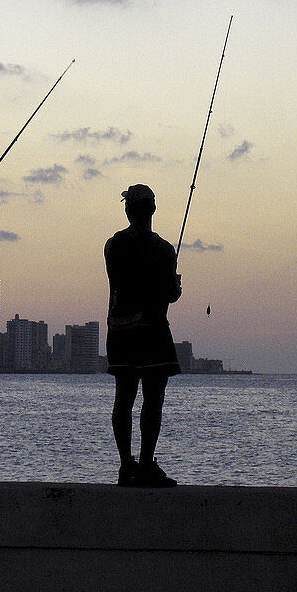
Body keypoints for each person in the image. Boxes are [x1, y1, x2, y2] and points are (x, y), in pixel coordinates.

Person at [105, 184, 183, 487]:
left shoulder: (112, 245)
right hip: (151, 332)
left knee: (123, 399)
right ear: (153, 209)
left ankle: (126, 466)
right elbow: (169, 294)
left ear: (128, 209)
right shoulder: (163, 250)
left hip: (119, 331)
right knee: (153, 399)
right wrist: (174, 285)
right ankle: (147, 464)